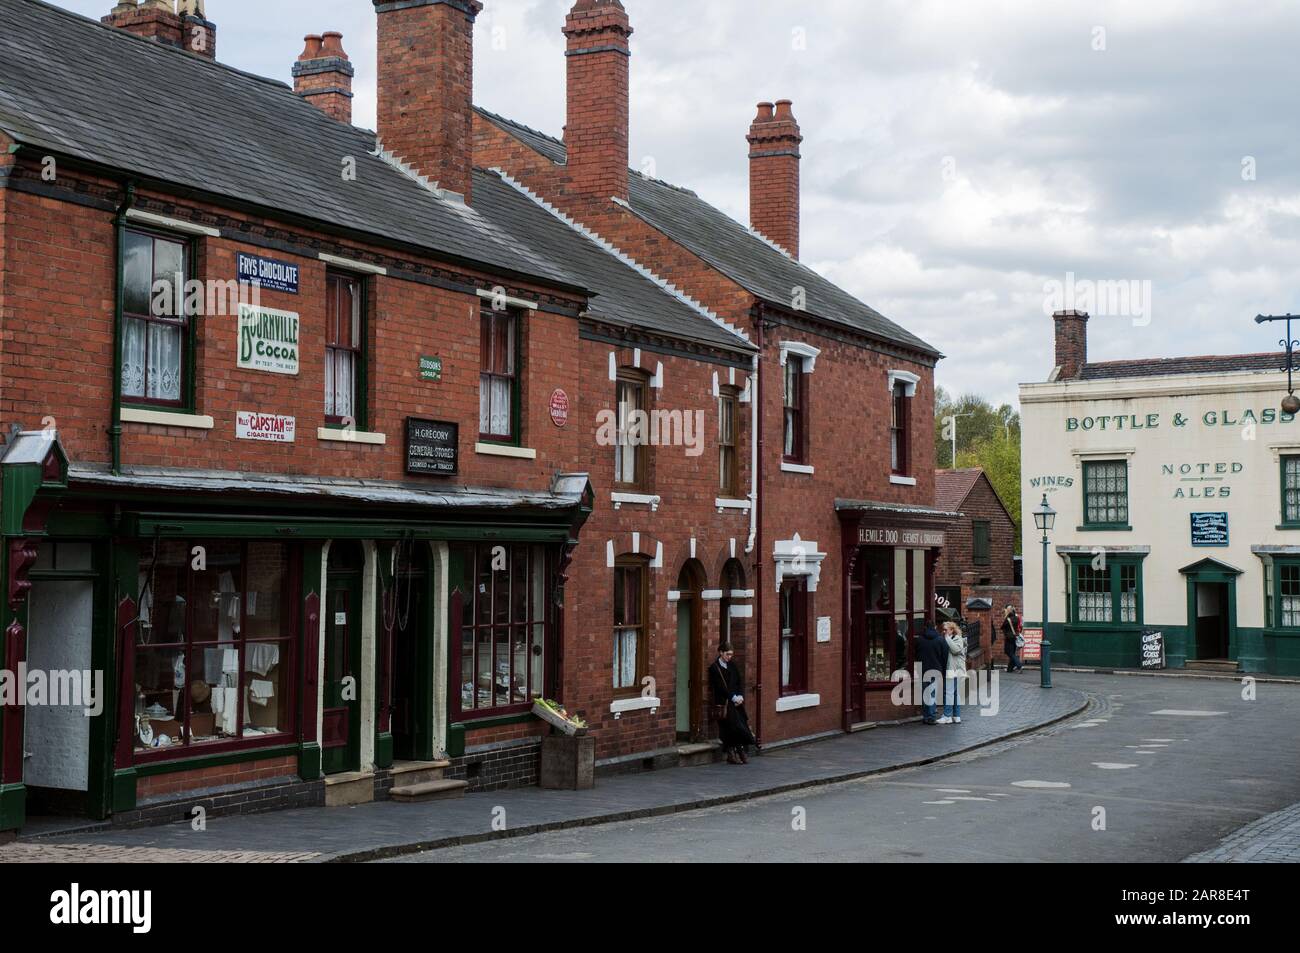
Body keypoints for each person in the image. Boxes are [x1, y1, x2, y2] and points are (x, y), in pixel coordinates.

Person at [708, 643, 755, 764]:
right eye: (727, 654)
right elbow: (719, 687)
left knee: (739, 726)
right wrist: (732, 697)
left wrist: (739, 695)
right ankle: (734, 752)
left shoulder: (733, 666)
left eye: (731, 654)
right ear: (721, 652)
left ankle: (738, 752)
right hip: (724, 703)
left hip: (736, 703)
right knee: (729, 728)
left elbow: (738, 681)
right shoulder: (715, 668)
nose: (729, 657)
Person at [915, 624, 949, 725]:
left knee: (925, 693)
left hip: (923, 669)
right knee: (932, 693)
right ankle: (931, 716)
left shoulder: (920, 640)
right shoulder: (940, 640)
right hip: (936, 669)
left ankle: (926, 716)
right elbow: (945, 656)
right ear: (935, 627)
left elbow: (916, 653)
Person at [940, 621, 967, 724]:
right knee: (955, 694)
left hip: (955, 670)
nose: (944, 631)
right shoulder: (949, 639)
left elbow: (955, 650)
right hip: (952, 670)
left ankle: (947, 716)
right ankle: (956, 716)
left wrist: (946, 638)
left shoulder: (957, 639)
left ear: (952, 630)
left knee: (949, 693)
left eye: (946, 630)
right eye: (943, 629)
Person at [1002, 605, 1024, 673]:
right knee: (1012, 652)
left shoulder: (1008, 619)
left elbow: (1002, 627)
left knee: (1008, 652)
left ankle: (1019, 665)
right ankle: (1009, 669)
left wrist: (1005, 616)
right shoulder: (1016, 618)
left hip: (1009, 638)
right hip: (1015, 637)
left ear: (1008, 611)